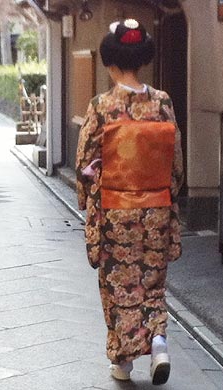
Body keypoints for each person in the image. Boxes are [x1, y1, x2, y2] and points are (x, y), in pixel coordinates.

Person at [75, 19, 183, 385]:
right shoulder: (162, 103)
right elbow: (176, 165)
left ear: (109, 61)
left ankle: (122, 361)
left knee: (119, 285)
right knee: (152, 281)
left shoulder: (102, 106)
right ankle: (158, 340)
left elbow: (84, 164)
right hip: (155, 209)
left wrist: (89, 180)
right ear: (141, 59)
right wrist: (166, 197)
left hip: (116, 211)